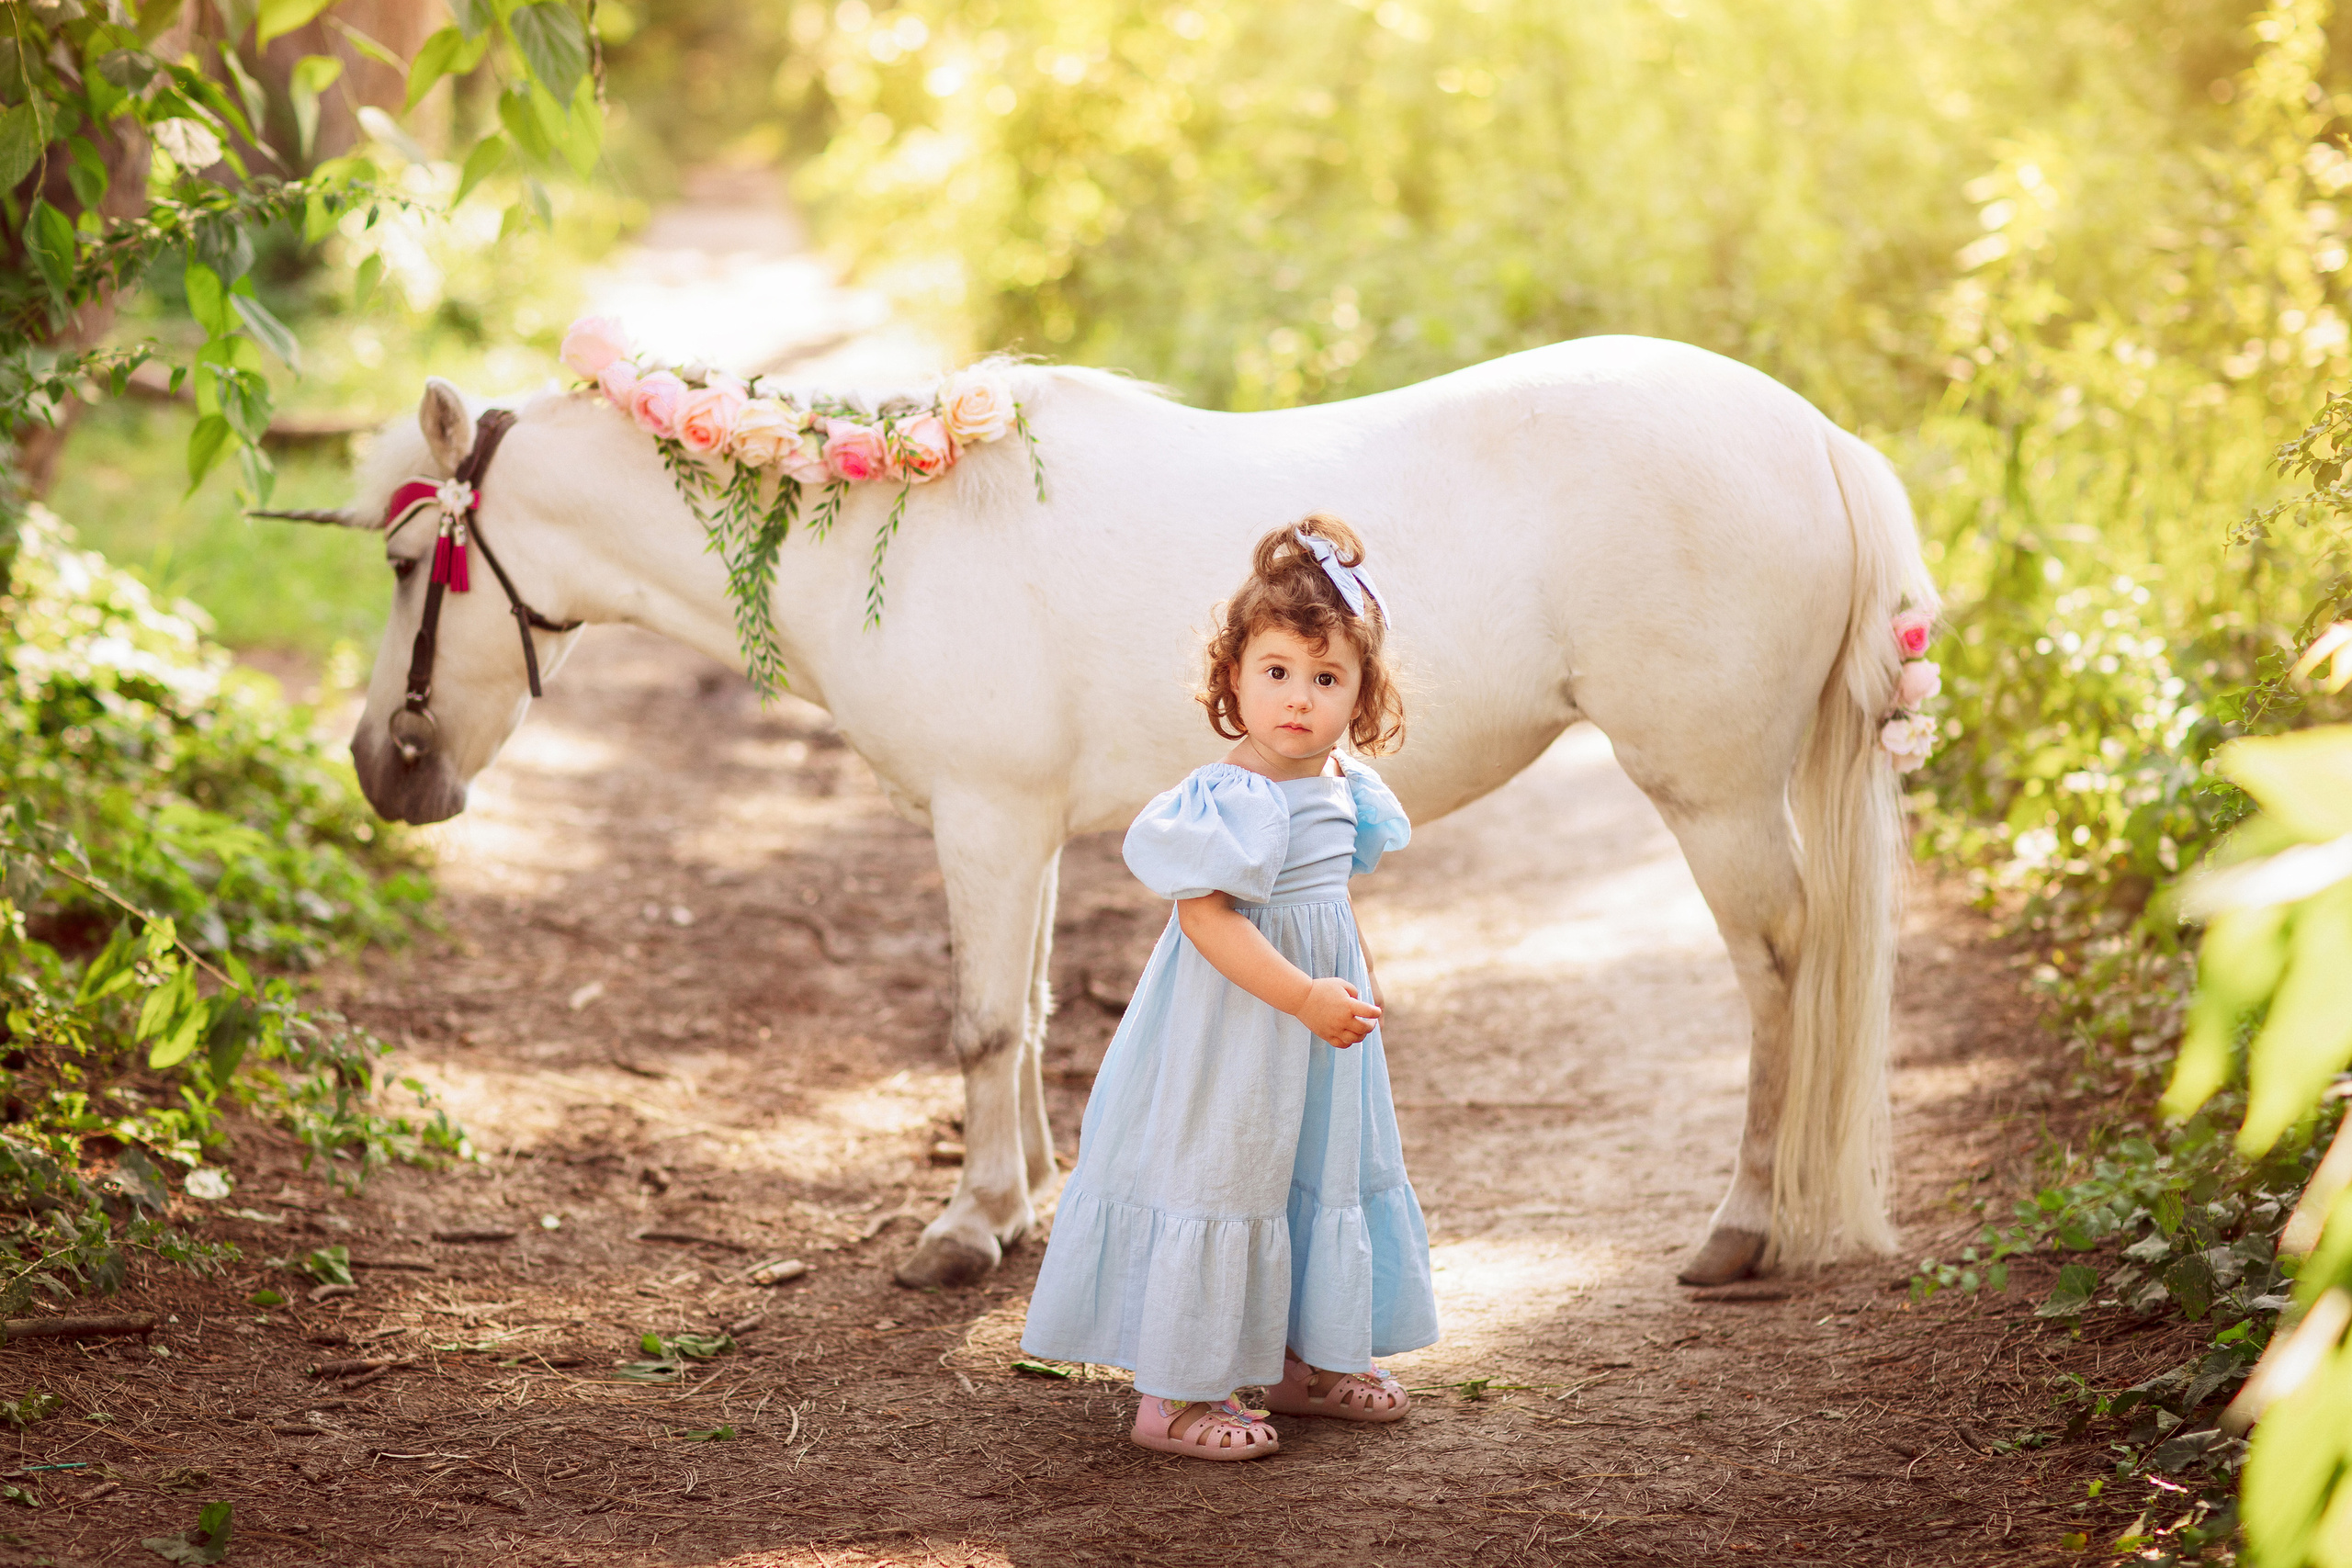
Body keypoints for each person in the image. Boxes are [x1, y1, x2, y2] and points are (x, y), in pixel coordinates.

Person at [1021, 514, 1440, 1461]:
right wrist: (1298, 996)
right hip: (1237, 1021)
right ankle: (1173, 1397)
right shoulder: (1227, 796)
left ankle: (1308, 1359)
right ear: (1233, 681)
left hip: (1314, 1023)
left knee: (1312, 1163)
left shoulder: (1340, 778)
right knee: (1228, 1168)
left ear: (1361, 695)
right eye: (1277, 672)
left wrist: (1318, 1000)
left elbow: (1322, 897)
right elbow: (1208, 919)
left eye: (1326, 679)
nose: (1299, 698)